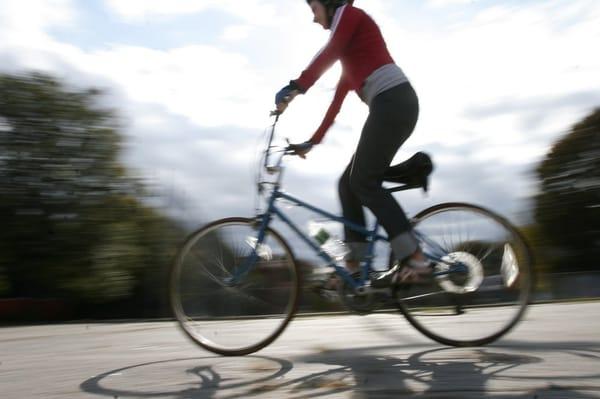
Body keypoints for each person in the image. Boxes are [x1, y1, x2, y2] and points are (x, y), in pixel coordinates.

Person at [275, 0, 430, 289]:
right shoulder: (351, 56)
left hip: (394, 102)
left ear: (330, 4)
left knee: (363, 182)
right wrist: (311, 142)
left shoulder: (350, 15)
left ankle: (416, 258)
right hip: (391, 105)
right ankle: (354, 266)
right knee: (347, 183)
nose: (313, 19)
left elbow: (331, 50)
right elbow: (335, 106)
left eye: (314, 10)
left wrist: (298, 85)